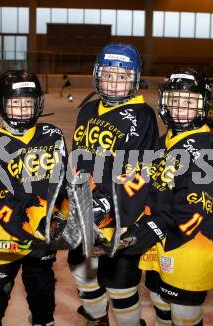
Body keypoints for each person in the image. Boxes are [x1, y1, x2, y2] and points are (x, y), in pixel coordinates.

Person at [119, 67, 213, 326]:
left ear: (203, 105)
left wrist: (154, 227)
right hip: (158, 245)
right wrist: (112, 201)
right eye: (174, 100)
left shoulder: (212, 146)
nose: (180, 108)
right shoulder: (162, 142)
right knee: (160, 302)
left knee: (183, 314)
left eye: (189, 102)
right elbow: (141, 184)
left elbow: (198, 200)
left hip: (190, 246)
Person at [68, 42, 160, 325]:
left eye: (122, 76)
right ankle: (96, 319)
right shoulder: (87, 110)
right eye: (108, 74)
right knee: (82, 273)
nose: (114, 82)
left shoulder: (142, 116)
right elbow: (79, 162)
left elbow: (140, 169)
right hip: (86, 212)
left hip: (122, 216)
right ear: (97, 74)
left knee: (121, 284)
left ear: (134, 79)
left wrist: (106, 201)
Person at [0, 70, 68, 326]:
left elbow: (62, 183)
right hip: (2, 236)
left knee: (42, 289)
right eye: (15, 102)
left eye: (28, 101)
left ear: (38, 103)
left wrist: (62, 216)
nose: (23, 109)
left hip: (41, 232)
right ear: (1, 104)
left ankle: (42, 321)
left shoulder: (52, 136)